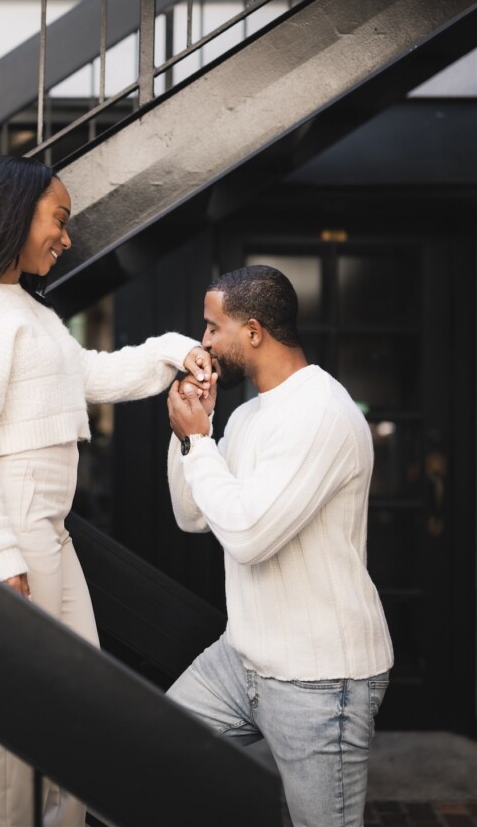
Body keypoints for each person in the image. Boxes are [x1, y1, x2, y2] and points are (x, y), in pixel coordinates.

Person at [0, 154, 210, 827]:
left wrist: (173, 351)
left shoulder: (29, 310)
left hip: (45, 527)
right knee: (15, 723)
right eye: (59, 219)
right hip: (4, 526)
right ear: (12, 213)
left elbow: (94, 373)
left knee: (80, 703)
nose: (66, 237)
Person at [165, 264, 393, 827]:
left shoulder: (319, 414)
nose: (204, 343)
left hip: (322, 677)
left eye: (213, 327)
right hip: (243, 659)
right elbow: (195, 515)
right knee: (148, 748)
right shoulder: (247, 415)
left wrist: (199, 441)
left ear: (254, 331)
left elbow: (247, 536)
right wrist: (193, 435)